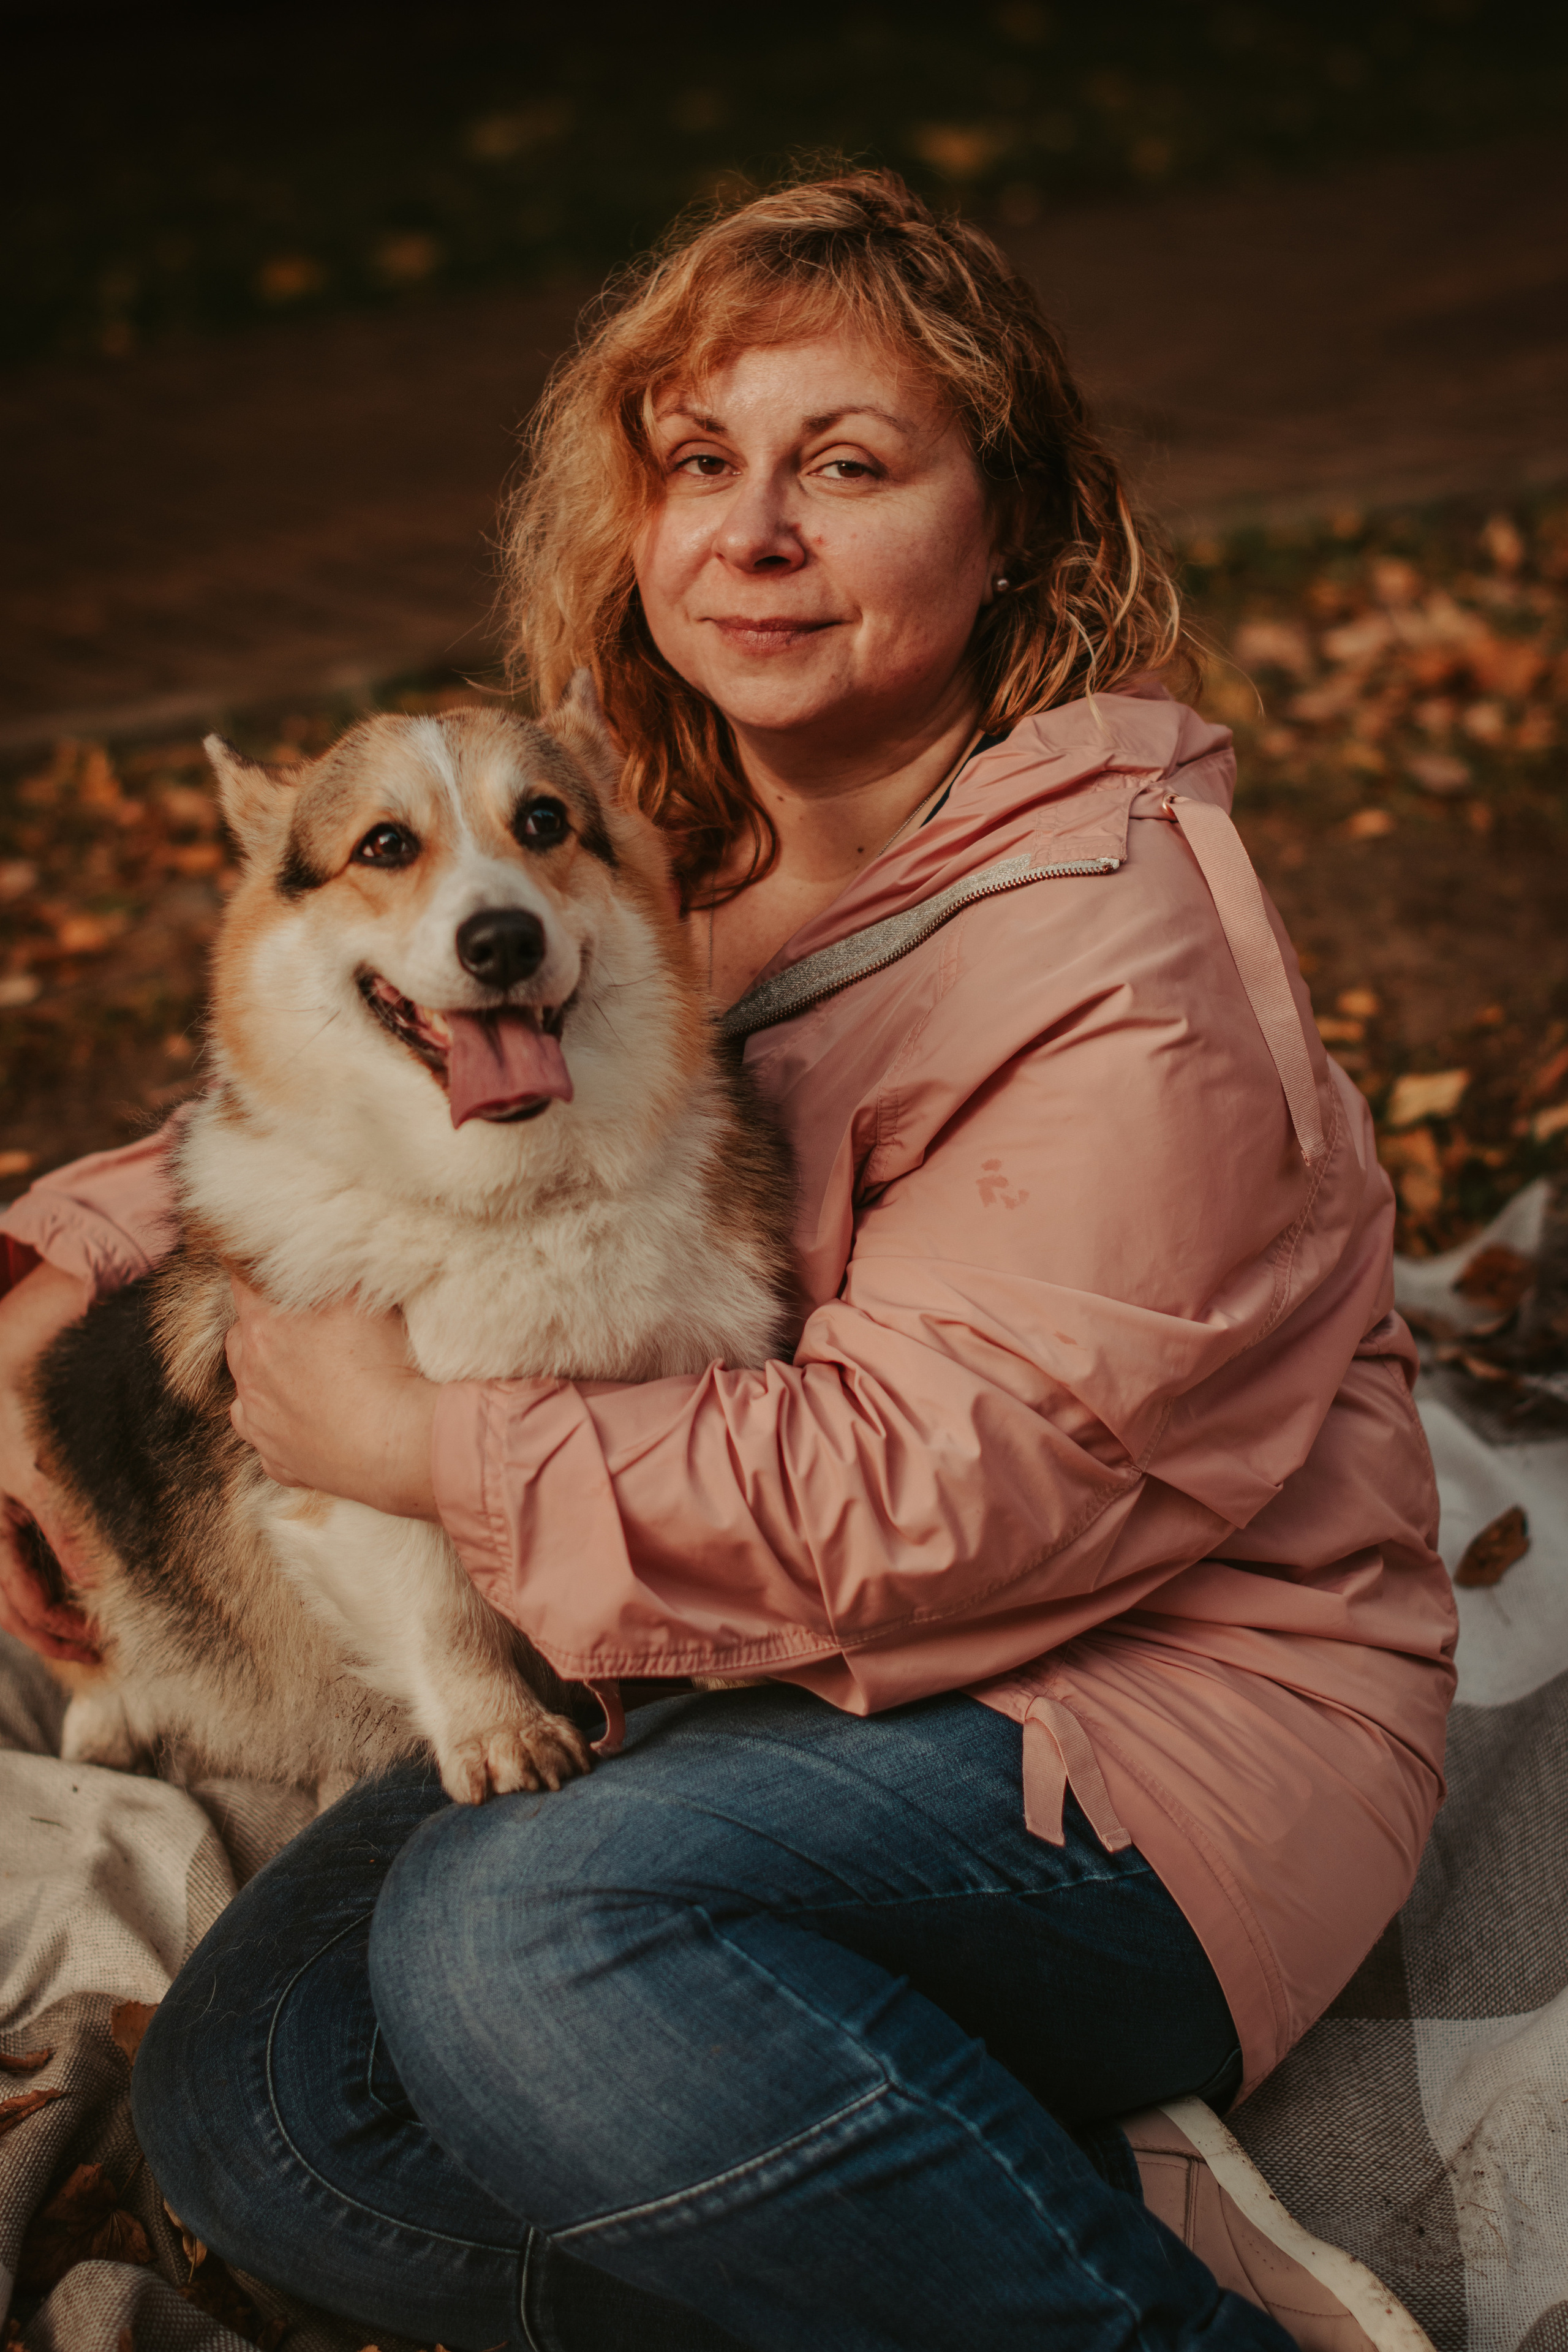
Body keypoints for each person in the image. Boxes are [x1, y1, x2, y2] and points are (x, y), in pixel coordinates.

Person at [0, 172, 1453, 2352]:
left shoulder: (1118, 945)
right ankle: (974, 2202)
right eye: (701, 466)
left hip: (1136, 1722)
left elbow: (959, 1491)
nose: (755, 532)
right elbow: (396, 1090)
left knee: (519, 1933)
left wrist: (426, 1446)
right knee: (265, 2119)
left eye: (846, 469)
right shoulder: (676, 818)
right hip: (738, 1669)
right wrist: (61, 1269)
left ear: (1015, 519)